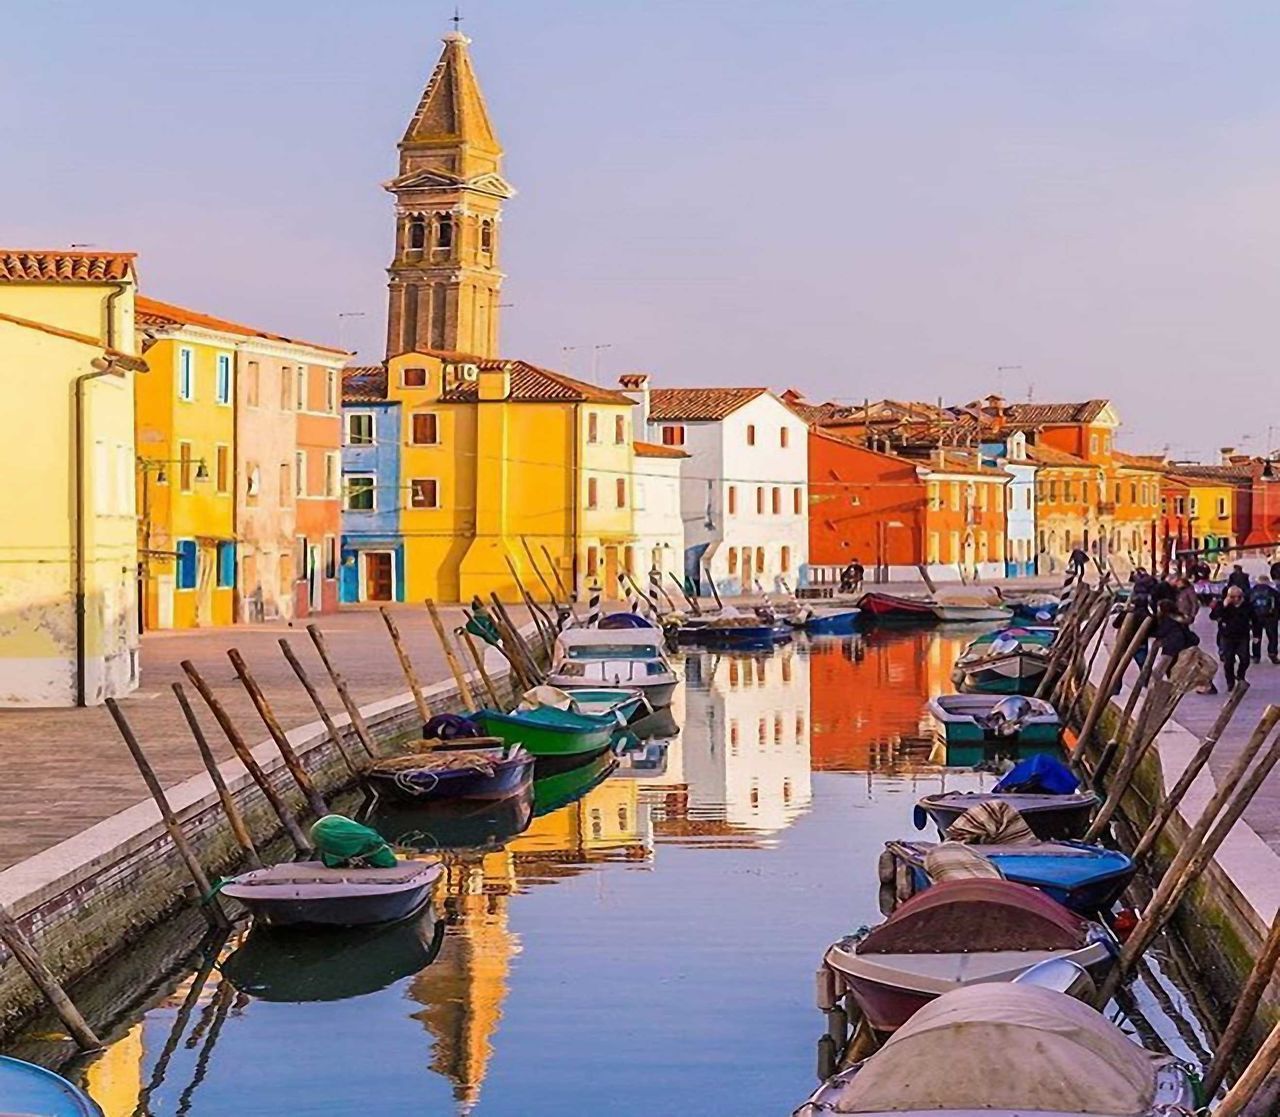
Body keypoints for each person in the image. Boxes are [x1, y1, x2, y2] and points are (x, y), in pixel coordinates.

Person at [1211, 585, 1255, 691]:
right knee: (1228, 661)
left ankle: (1240, 675)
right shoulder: (1222, 604)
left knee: (1245, 659)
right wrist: (1224, 606)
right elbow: (1213, 616)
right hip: (1227, 636)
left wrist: (1256, 635)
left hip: (1242, 635)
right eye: (1233, 597)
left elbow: (1255, 619)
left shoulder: (1246, 605)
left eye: (1238, 597)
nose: (1236, 599)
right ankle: (1230, 682)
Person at [1151, 598, 1199, 678]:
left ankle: (1156, 687)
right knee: (1173, 669)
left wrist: (1161, 640)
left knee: (1161, 670)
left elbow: (1163, 632)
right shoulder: (1177, 618)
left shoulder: (1168, 621)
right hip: (1180, 647)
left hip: (1171, 648)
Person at [1249, 575, 1280, 664]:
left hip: (1256, 617)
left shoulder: (1252, 591)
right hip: (1271, 618)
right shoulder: (1273, 592)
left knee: (1256, 636)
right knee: (1272, 637)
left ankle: (1256, 655)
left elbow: (1248, 604)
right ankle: (1272, 652)